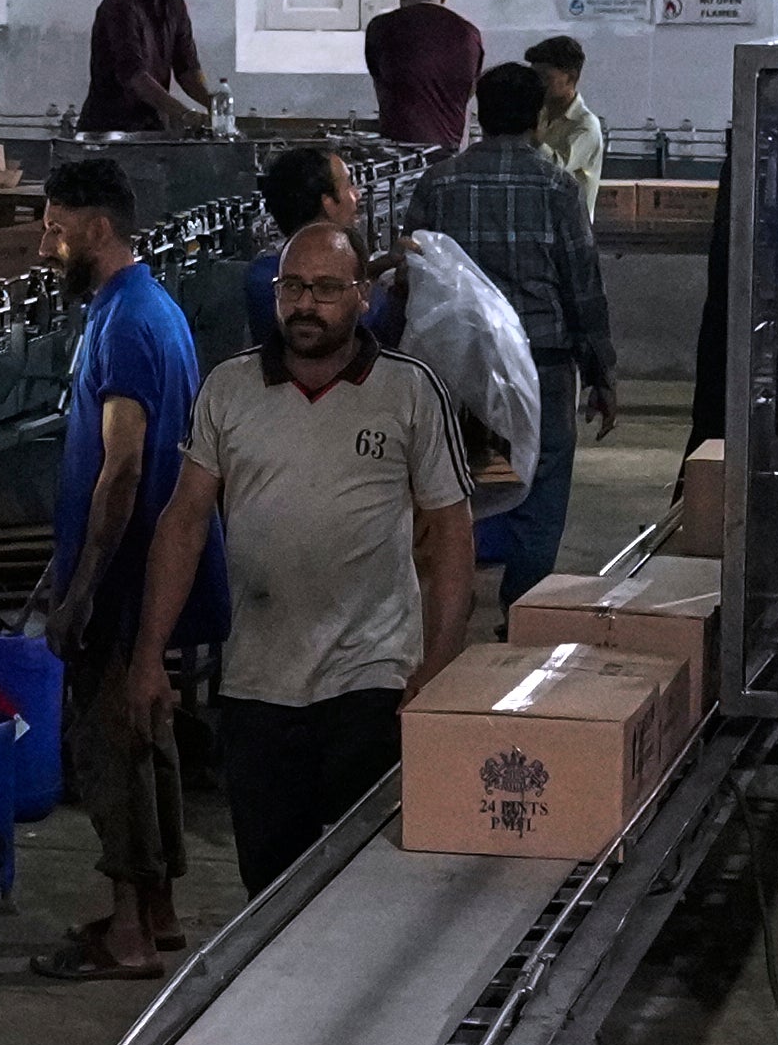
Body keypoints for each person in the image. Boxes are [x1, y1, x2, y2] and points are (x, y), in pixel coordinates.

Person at [127, 224, 473, 893]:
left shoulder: (409, 393)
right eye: (292, 287)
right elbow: (184, 523)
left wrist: (439, 664)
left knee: (367, 887)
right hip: (259, 685)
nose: (305, 305)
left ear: (364, 298)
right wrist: (149, 656)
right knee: (269, 888)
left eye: (325, 289)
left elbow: (451, 532)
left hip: (372, 683)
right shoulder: (229, 389)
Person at [29, 159, 213, 982]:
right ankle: (161, 914)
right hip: (137, 577)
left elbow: (125, 470)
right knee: (148, 731)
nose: (46, 246)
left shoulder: (125, 324)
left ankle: (130, 934)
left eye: (55, 228)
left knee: (110, 747)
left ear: (97, 230)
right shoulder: (150, 309)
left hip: (125, 580)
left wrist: (83, 590)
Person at [405, 60, 615, 604]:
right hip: (541, 365)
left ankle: (450, 601)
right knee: (541, 484)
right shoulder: (558, 188)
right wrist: (601, 373)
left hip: (454, 367)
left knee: (455, 478)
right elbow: (582, 287)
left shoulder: (438, 183)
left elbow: (416, 277)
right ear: (540, 119)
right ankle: (523, 610)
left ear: (478, 115)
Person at [241, 144, 406, 357]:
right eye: (348, 185)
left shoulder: (260, 274)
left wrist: (376, 268)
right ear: (327, 203)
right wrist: (400, 294)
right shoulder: (269, 284)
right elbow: (367, 334)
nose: (357, 195)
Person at [84, 0, 211, 135]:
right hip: (111, 133)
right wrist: (185, 114)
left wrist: (215, 106)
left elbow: (187, 68)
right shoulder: (121, 5)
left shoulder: (176, 7)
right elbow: (135, 77)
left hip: (151, 130)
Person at [364, 0, 483, 149]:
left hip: (397, 151)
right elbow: (470, 91)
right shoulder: (469, 33)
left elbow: (378, 78)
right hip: (450, 148)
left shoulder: (380, 28)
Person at [523, 34, 606, 218]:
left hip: (570, 229)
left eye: (545, 77)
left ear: (571, 78)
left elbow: (558, 170)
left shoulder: (585, 126)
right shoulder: (539, 114)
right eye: (533, 77)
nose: (537, 84)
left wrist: (536, 141)